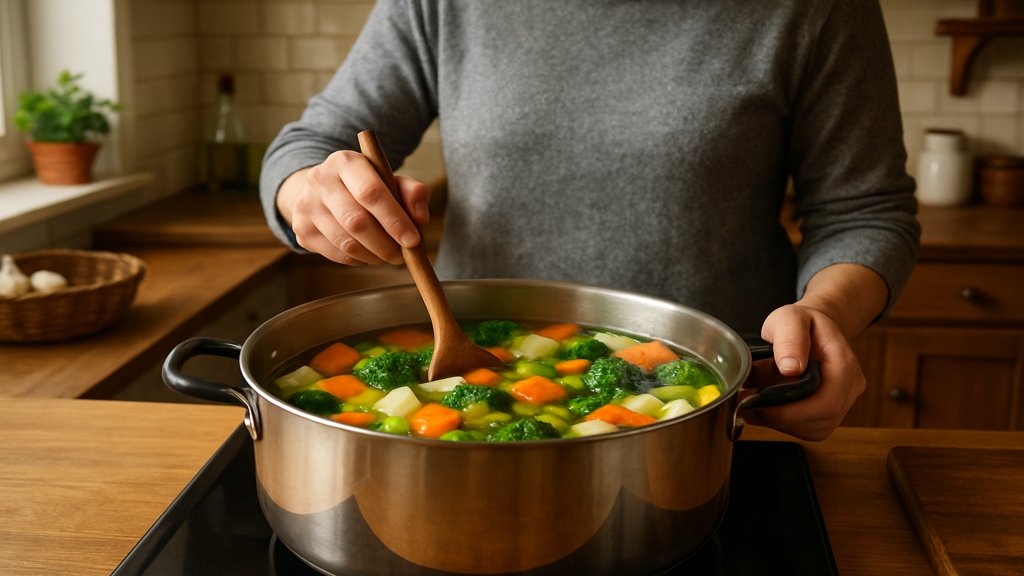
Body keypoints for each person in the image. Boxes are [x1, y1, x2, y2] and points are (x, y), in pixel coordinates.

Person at [260, 0, 921, 441]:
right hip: (460, 387)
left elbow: (864, 209)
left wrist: (828, 310)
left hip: (726, 407)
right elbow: (310, 143)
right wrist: (309, 193)